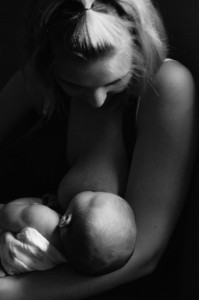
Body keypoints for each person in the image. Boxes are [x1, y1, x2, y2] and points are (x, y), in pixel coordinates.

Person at [0, 0, 196, 299]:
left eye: (114, 81)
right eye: (74, 85)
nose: (96, 101)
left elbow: (145, 256)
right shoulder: (43, 77)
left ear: (139, 46)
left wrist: (10, 292)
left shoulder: (165, 88)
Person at [0, 191, 136, 277]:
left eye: (93, 195)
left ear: (65, 220)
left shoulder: (44, 218)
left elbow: (5, 214)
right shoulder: (72, 255)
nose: (93, 191)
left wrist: (34, 204)